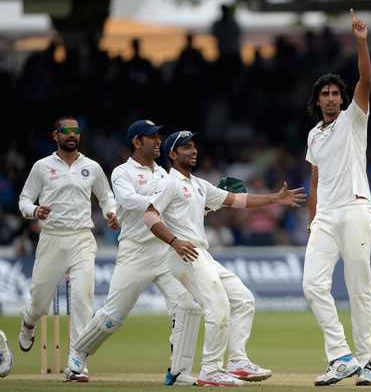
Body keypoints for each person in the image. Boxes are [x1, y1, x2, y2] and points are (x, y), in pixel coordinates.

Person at [143, 130, 306, 387]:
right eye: (186, 147)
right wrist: (174, 242)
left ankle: (238, 362)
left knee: (243, 300)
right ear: (173, 154)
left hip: (201, 254)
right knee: (217, 306)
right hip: (183, 254)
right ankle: (211, 370)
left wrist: (275, 198)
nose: (193, 150)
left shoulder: (198, 184)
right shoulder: (169, 182)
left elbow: (238, 200)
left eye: (194, 146)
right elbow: (150, 216)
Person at [64, 120, 200, 385]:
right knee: (113, 317)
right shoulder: (121, 172)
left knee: (188, 306)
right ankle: (77, 356)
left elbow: (181, 203)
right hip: (135, 253)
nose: (159, 141)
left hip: (164, 251)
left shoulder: (164, 174)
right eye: (152, 137)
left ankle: (179, 370)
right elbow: (126, 200)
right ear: (137, 142)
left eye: (160, 137)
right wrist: (162, 201)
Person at [303, 9, 371, 387]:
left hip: (356, 209)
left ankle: (367, 363)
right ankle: (342, 356)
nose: (331, 99)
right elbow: (315, 178)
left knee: (359, 291)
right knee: (312, 285)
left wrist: (360, 43)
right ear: (317, 101)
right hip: (326, 218)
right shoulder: (314, 135)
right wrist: (313, 219)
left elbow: (366, 77)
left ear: (343, 99)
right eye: (325, 95)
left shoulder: (353, 118)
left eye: (335, 94)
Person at [17, 116, 119, 382]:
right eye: (66, 131)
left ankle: (77, 363)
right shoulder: (42, 167)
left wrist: (110, 212)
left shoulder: (92, 167)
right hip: (51, 239)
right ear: (56, 135)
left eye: (76, 131)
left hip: (82, 239)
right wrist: (34, 211)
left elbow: (106, 196)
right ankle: (29, 322)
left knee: (82, 300)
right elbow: (25, 199)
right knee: (40, 300)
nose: (72, 135)